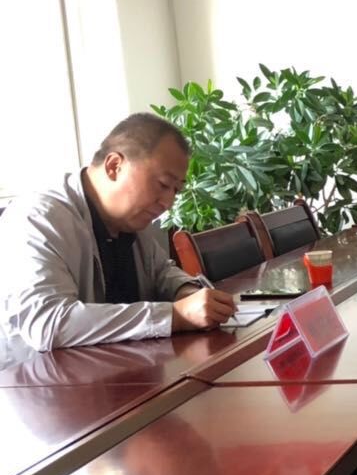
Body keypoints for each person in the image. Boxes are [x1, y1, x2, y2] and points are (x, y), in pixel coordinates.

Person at [0, 113, 237, 351]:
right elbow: (49, 323)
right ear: (114, 166)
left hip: (119, 365)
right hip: (39, 372)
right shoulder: (38, 219)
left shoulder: (128, 218)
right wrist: (174, 316)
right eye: (163, 184)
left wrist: (185, 291)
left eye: (176, 190)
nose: (168, 202)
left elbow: (160, 272)